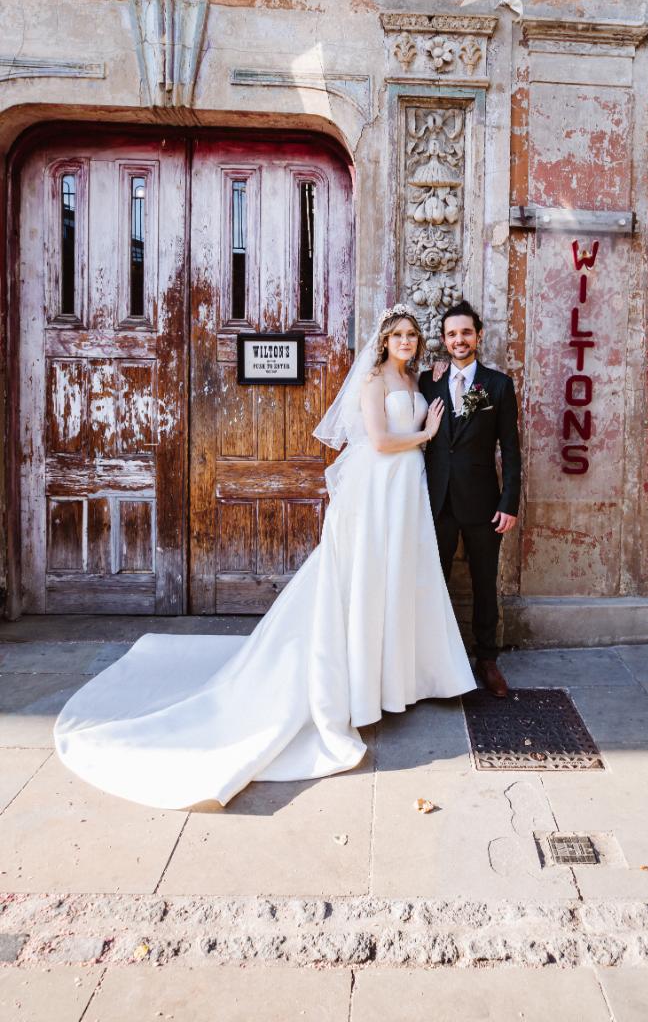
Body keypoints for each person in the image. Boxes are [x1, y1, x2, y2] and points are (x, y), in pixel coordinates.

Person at [53, 306, 475, 810]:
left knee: (396, 582)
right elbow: (382, 442)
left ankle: (392, 680)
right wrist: (425, 434)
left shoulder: (415, 378)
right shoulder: (371, 380)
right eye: (397, 335)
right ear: (383, 341)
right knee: (362, 583)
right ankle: (356, 686)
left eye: (412, 335)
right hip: (378, 489)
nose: (406, 341)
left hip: (405, 491)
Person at [419, 302, 521, 699]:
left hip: (484, 505)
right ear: (443, 341)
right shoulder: (429, 382)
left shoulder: (497, 385)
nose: (458, 340)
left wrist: (509, 502)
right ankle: (434, 660)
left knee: (484, 584)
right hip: (437, 502)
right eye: (451, 334)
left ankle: (488, 659)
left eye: (465, 332)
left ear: (478, 335)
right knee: (435, 582)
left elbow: (510, 449)